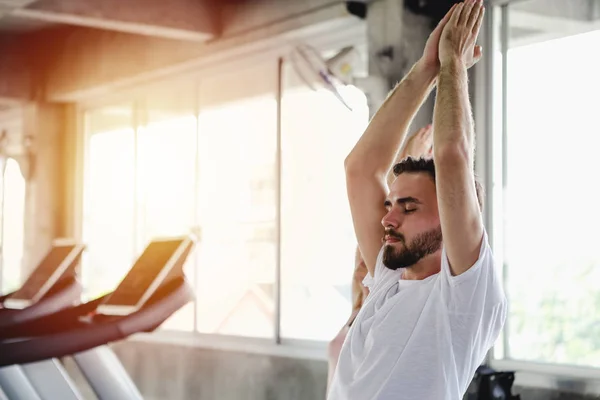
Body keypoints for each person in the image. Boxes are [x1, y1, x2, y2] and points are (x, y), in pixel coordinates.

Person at [327, 1, 507, 399]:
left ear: (449, 221)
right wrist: (425, 68)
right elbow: (359, 169)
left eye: (409, 208)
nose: (389, 219)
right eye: (391, 205)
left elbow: (451, 155)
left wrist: (453, 65)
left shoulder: (461, 297)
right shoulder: (389, 278)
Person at [326, 125, 434, 390]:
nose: (363, 273)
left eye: (408, 207)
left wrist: (410, 160)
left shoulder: (392, 294)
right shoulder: (359, 313)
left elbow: (361, 174)